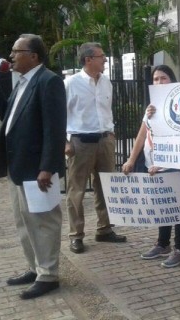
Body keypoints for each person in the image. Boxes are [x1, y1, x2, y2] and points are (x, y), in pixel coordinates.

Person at [0, 34, 66, 299]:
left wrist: (48, 167)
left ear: (34, 56)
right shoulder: (23, 82)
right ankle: (34, 267)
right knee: (24, 222)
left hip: (37, 170)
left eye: (17, 51)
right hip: (18, 167)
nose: (11, 56)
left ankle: (48, 275)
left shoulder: (49, 81)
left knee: (43, 223)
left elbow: (55, 128)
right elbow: (9, 117)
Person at [122, 65, 180, 268]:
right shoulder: (151, 107)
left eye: (164, 78)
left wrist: (163, 164)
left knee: (176, 206)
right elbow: (142, 135)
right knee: (162, 204)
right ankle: (162, 244)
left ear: (173, 80)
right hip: (153, 164)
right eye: (156, 79)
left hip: (173, 163)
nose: (160, 82)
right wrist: (131, 160)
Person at [64, 42, 126, 254]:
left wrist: (111, 132)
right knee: (76, 191)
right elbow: (59, 114)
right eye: (101, 56)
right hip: (80, 143)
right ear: (88, 59)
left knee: (106, 187)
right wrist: (65, 141)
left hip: (104, 140)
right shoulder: (70, 83)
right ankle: (76, 235)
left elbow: (106, 110)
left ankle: (105, 229)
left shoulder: (106, 82)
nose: (105, 60)